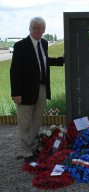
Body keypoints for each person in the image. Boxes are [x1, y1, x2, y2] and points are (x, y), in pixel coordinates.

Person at [10, 17, 64, 163]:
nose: (38, 30)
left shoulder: (44, 43)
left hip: (42, 88)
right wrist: (16, 93)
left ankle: (33, 148)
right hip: (25, 91)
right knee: (25, 123)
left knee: (36, 122)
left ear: (44, 29)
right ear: (29, 28)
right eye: (35, 27)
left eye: (41, 28)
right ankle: (26, 152)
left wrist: (62, 60)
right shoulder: (21, 46)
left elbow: (44, 60)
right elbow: (15, 70)